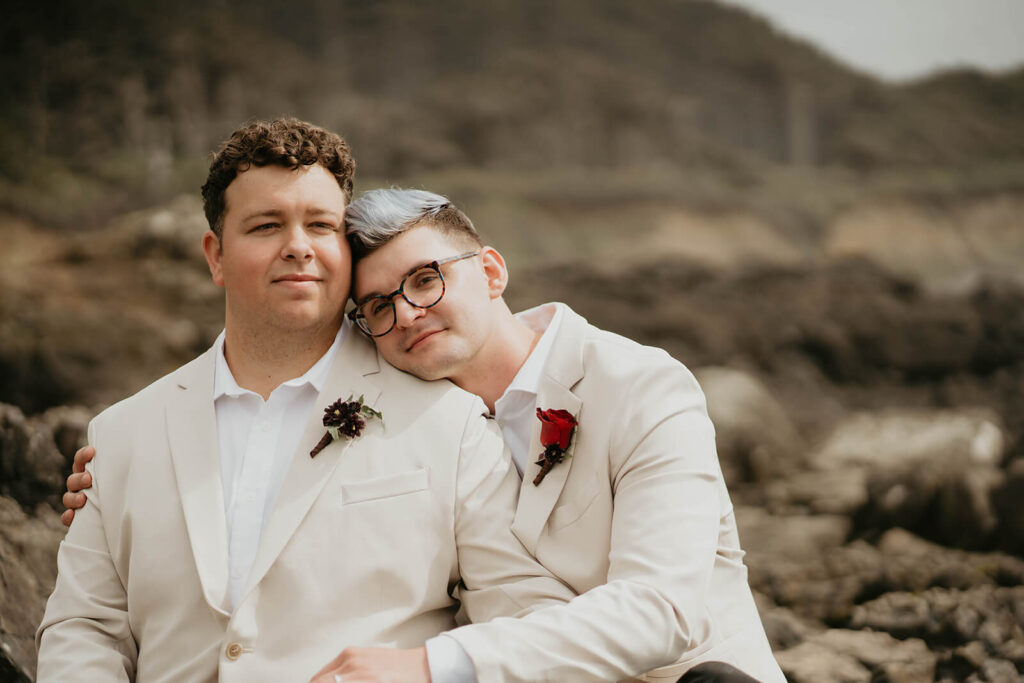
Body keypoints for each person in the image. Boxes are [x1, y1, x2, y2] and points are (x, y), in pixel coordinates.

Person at [65, 186, 785, 681]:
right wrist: (126, 491)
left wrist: (433, 665)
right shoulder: (407, 416)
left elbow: (661, 609)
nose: (406, 313)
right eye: (376, 305)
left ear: (493, 270)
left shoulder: (639, 385)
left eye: (426, 280)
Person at [36, 120, 578, 682]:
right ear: (216, 256)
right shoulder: (121, 434)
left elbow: (525, 612)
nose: (297, 247)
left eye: (320, 225)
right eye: (267, 226)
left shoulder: (452, 420)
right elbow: (85, 627)